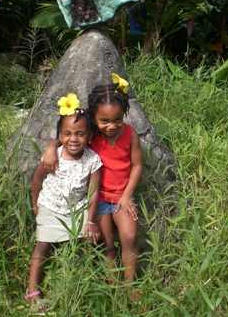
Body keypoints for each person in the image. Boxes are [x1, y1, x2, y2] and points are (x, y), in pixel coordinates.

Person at [43, 74, 143, 303]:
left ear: (124, 115)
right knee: (106, 242)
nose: (111, 126)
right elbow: (67, 137)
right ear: (94, 120)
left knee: (129, 235)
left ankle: (130, 284)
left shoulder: (130, 134)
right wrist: (50, 147)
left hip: (121, 196)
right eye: (104, 121)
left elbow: (137, 165)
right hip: (96, 198)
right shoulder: (92, 134)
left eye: (117, 119)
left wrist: (127, 195)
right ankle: (114, 285)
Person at [25, 93, 102, 313]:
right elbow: (37, 180)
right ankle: (32, 293)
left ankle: (75, 284)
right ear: (60, 135)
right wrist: (35, 204)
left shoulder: (93, 160)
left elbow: (93, 193)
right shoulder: (54, 155)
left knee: (83, 246)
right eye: (67, 134)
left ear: (90, 135)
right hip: (49, 207)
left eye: (80, 134)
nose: (73, 139)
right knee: (42, 246)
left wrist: (90, 220)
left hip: (76, 210)